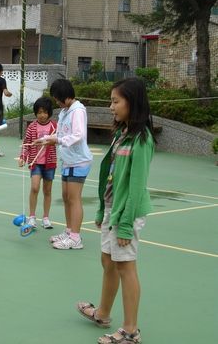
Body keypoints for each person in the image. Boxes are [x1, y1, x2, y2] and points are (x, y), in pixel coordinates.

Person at [76, 78, 155, 344]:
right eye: (111, 101)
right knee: (108, 262)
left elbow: (135, 186)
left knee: (125, 266)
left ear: (132, 103)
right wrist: (102, 210)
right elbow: (108, 176)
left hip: (127, 213)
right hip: (113, 208)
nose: (111, 106)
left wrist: (124, 224)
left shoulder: (141, 140)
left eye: (115, 101)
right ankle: (103, 313)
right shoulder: (122, 134)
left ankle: (131, 331)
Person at [37, 79, 93, 250]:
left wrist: (57, 140)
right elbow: (59, 134)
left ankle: (75, 238)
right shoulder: (64, 111)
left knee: (74, 198)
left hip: (79, 160)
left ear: (65, 96)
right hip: (67, 160)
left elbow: (78, 135)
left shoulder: (78, 111)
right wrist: (46, 139)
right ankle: (69, 231)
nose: (56, 101)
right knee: (66, 197)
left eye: (57, 98)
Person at [18, 97, 57, 229]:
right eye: (39, 112)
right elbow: (26, 144)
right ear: (35, 113)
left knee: (47, 190)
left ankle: (46, 217)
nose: (42, 115)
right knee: (35, 188)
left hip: (50, 163)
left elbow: (60, 140)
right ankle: (32, 216)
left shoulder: (54, 126)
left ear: (49, 113)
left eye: (45, 112)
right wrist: (23, 157)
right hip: (35, 163)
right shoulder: (32, 127)